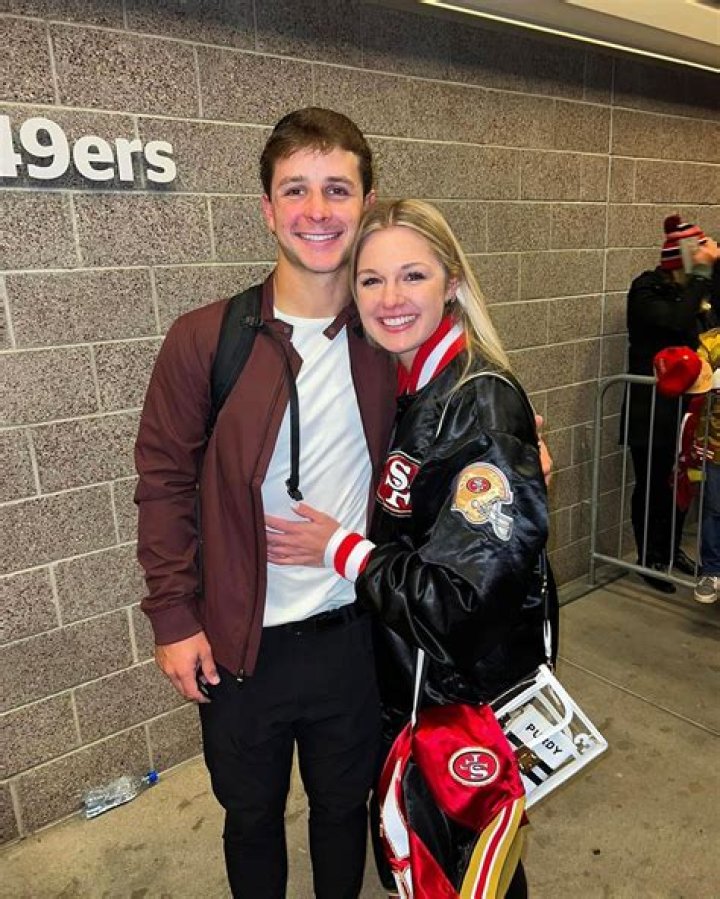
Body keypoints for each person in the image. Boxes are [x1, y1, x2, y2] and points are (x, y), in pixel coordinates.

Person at [135, 108, 397, 899]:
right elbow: (163, 479)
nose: (317, 210)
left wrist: (515, 450)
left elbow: (457, 428)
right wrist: (173, 617)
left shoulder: (391, 338)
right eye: (296, 189)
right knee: (250, 815)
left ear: (366, 203)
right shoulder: (205, 339)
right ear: (267, 208)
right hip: (240, 644)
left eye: (337, 189)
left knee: (343, 808)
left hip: (353, 634)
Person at [266, 199, 558, 898]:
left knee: (462, 877)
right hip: (414, 690)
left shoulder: (478, 401)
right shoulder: (403, 386)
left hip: (460, 706)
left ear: (452, 282)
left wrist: (341, 549)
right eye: (371, 280)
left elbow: (461, 604)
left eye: (413, 276)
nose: (390, 298)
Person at [623, 214, 719, 593]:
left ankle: (671, 549)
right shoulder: (647, 289)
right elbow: (677, 323)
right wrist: (700, 273)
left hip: (687, 410)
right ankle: (649, 557)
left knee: (682, 482)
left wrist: (708, 270)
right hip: (651, 410)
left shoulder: (695, 291)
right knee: (652, 484)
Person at [689, 329, 720, 604]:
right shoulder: (710, 343)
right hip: (716, 447)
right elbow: (695, 379)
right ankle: (712, 571)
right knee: (714, 509)